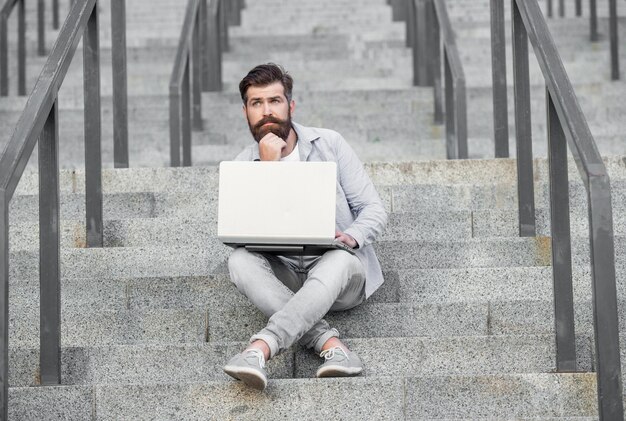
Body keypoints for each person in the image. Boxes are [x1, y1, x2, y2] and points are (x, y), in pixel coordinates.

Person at [223, 63, 388, 390]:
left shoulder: (330, 144)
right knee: (238, 261)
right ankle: (332, 346)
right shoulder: (242, 165)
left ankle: (261, 348)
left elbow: (374, 210)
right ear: (245, 112)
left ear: (291, 105)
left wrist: (351, 237)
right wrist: (269, 170)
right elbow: (239, 235)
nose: (267, 111)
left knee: (340, 260)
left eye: (275, 101)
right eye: (257, 103)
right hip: (283, 273)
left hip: (337, 272)